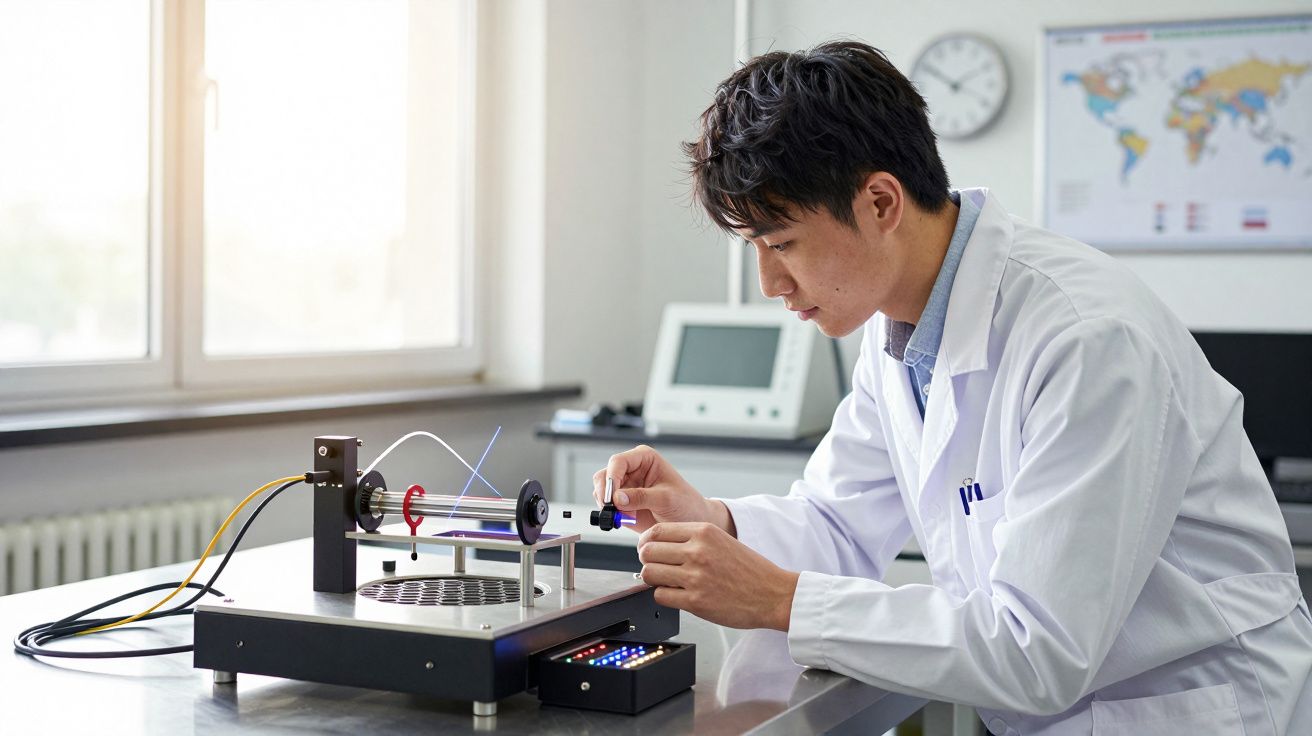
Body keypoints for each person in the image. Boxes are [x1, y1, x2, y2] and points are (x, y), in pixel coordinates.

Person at [593, 41, 1312, 734]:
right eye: (754, 249)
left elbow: (1038, 647)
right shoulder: (899, 331)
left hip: (1192, 709)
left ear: (880, 202)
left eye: (781, 244)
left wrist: (782, 600)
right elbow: (840, 525)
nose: (770, 284)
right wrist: (715, 524)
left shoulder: (1086, 338)